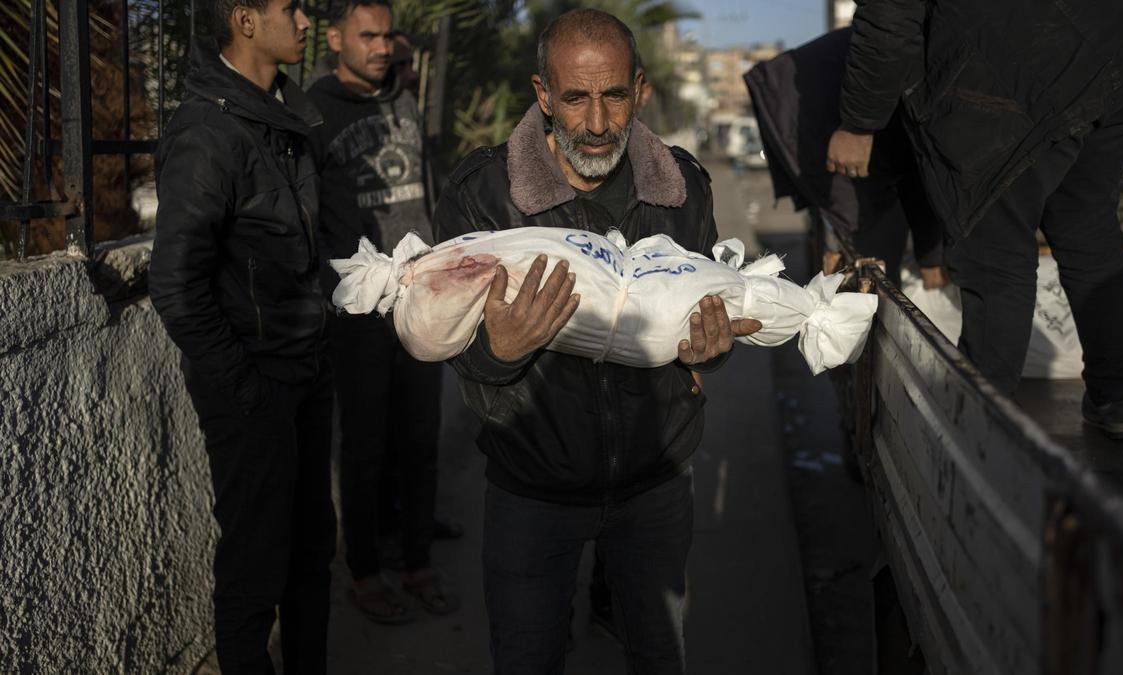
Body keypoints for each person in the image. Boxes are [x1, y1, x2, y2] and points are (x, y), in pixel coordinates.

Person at [432, 9, 761, 673]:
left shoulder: (683, 189)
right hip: (532, 491)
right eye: (575, 97)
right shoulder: (484, 198)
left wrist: (712, 348)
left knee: (660, 654)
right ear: (543, 93)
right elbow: (449, 341)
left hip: (655, 485)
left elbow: (708, 322)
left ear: (640, 89)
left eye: (614, 95)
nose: (597, 122)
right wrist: (498, 348)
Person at [827, 0, 1123, 438]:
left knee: (995, 252)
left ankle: (982, 425)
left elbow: (888, 18)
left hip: (1022, 63)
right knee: (1088, 227)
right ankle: (1117, 399)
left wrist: (858, 123)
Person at [148, 0, 334, 672]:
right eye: (292, 8)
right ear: (246, 20)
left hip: (305, 369)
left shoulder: (282, 114)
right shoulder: (207, 133)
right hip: (255, 387)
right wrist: (247, 390)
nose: (307, 21)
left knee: (313, 553)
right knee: (256, 573)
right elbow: (174, 285)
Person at [306, 0, 458, 623]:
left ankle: (416, 562)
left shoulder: (401, 96)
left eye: (386, 34)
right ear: (335, 37)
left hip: (421, 300)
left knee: (421, 440)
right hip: (362, 310)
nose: (379, 45)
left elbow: (422, 185)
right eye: (366, 35)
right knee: (364, 445)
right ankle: (364, 573)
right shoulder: (313, 110)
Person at [744, 27, 944, 289]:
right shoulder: (930, 52)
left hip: (798, 96)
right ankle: (868, 314)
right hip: (823, 113)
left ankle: (864, 303)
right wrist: (931, 258)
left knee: (874, 227)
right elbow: (916, 168)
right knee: (872, 233)